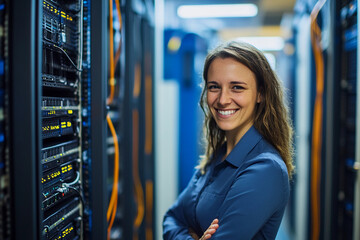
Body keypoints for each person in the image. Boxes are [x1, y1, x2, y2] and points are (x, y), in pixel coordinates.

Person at [163, 41, 294, 240]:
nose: (223, 99)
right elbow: (171, 218)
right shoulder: (218, 155)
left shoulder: (265, 169)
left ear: (261, 94)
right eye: (214, 87)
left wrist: (186, 232)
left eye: (237, 88)